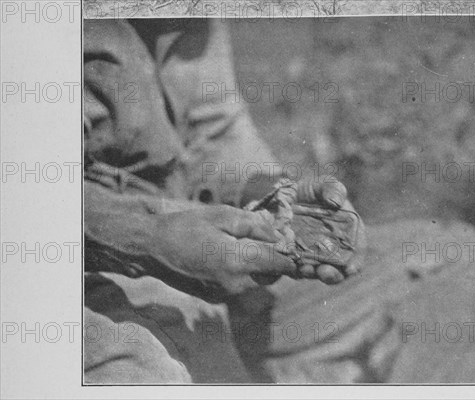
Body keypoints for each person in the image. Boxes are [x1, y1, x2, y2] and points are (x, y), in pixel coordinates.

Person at [83, 18, 401, 383]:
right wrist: (150, 237)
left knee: (446, 266)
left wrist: (270, 194)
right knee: (158, 373)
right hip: (77, 271)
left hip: (199, 240)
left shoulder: (192, 18)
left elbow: (214, 133)